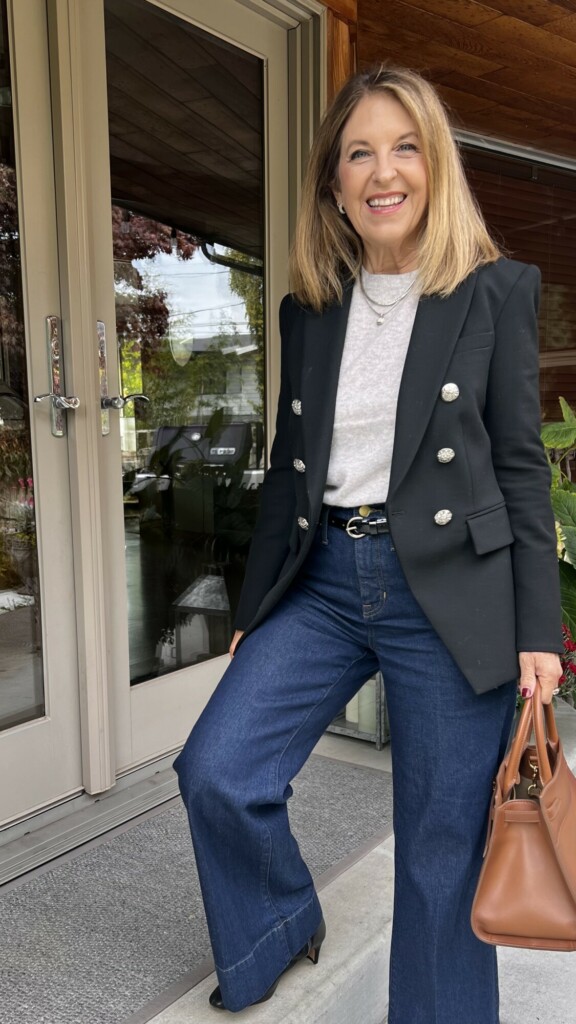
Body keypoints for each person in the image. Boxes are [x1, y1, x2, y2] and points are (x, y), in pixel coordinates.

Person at [174, 65, 563, 1021]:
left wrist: (540, 636)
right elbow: (290, 470)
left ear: (434, 166)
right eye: (359, 153)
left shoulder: (496, 293)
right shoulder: (310, 307)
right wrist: (257, 608)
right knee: (218, 768)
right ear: (335, 185)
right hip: (324, 583)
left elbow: (521, 471)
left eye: (404, 147)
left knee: (437, 859)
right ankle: (277, 922)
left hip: (450, 591)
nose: (382, 171)